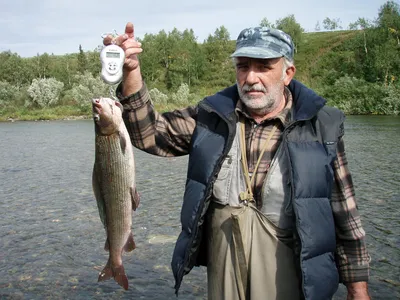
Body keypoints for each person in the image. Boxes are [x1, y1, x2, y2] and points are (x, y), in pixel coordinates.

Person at [104, 22, 371, 300]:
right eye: (243, 66)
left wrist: (358, 289)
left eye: (264, 67)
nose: (251, 78)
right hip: (225, 268)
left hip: (292, 272)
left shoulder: (321, 127)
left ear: (288, 72)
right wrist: (131, 72)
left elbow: (345, 213)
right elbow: (150, 135)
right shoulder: (210, 117)